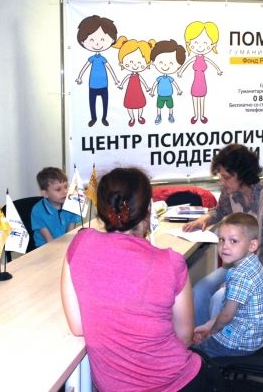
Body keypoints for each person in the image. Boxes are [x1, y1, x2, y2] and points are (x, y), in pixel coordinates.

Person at [60, 167, 221, 391]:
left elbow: (78, 327)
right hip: (178, 382)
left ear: (102, 209)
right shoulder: (171, 262)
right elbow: (184, 337)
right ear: (148, 210)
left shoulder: (80, 243)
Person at [184, 143, 263, 326]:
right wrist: (206, 219)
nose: (222, 182)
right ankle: (202, 339)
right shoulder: (231, 193)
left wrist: (237, 282)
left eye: (226, 177)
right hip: (239, 264)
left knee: (221, 297)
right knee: (200, 290)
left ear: (242, 175)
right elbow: (220, 211)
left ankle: (220, 340)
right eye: (220, 176)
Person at [193, 213, 263, 357]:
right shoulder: (253, 264)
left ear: (252, 245)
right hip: (256, 337)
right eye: (221, 239)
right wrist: (208, 324)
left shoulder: (241, 276)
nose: (225, 246)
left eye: (233, 241)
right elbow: (229, 311)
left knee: (194, 352)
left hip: (239, 344)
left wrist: (211, 332)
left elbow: (226, 316)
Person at [75, 15, 120, 127]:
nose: (97, 44)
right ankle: (93, 118)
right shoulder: (92, 58)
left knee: (105, 103)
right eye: (91, 40)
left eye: (102, 39)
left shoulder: (103, 59)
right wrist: (79, 77)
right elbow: (84, 68)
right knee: (92, 103)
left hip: (104, 85)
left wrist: (115, 80)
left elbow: (110, 68)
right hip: (93, 85)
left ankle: (104, 118)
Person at [177, 21, 223, 124]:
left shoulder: (205, 58)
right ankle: (195, 116)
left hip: (202, 82)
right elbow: (186, 64)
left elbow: (213, 63)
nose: (200, 47)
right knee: (195, 98)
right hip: (195, 82)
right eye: (195, 43)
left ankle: (201, 116)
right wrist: (180, 71)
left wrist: (218, 70)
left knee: (202, 98)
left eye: (205, 43)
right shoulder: (194, 58)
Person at [30, 167, 81, 247]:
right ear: (45, 193)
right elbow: (49, 241)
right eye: (58, 189)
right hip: (45, 247)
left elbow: (69, 235)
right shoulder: (37, 211)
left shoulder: (71, 204)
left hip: (64, 244)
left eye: (66, 187)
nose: (65, 192)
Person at [114, 37, 154, 127]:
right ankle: (132, 118)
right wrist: (121, 85)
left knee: (140, 104)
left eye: (140, 63)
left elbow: (142, 81)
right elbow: (125, 79)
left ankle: (139, 117)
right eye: (131, 62)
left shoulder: (139, 76)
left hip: (138, 91)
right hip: (130, 91)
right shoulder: (129, 75)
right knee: (129, 105)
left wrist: (147, 87)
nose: (135, 65)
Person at [149, 39, 185, 125]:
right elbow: (155, 84)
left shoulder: (170, 78)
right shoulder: (159, 78)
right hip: (160, 95)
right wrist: (152, 91)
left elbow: (175, 84)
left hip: (169, 95)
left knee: (170, 106)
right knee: (159, 106)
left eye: (171, 63)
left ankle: (170, 115)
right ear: (153, 62)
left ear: (178, 66)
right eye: (161, 62)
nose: (165, 66)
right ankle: (158, 116)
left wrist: (179, 90)